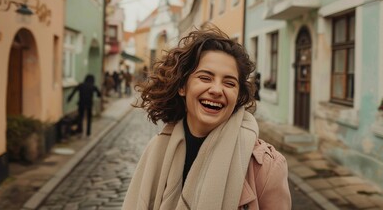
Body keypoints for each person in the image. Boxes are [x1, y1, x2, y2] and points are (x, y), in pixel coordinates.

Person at [122, 26, 291, 210]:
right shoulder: (155, 150)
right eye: (205, 78)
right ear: (182, 87)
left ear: (237, 96)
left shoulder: (266, 167)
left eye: (229, 83)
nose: (217, 90)